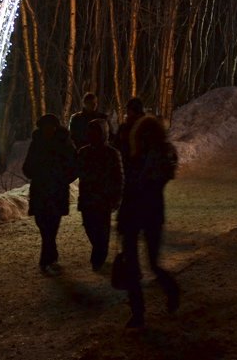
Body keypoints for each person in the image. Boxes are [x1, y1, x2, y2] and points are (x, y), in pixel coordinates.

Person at [118, 114, 180, 329]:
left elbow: (144, 184)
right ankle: (138, 312)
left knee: (149, 264)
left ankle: (169, 290)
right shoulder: (140, 157)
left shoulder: (158, 157)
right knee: (135, 266)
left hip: (146, 212)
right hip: (141, 214)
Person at [22, 113, 77, 275]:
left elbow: (74, 165)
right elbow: (27, 166)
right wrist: (35, 173)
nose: (48, 130)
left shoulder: (63, 142)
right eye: (45, 127)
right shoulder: (37, 143)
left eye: (50, 127)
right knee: (43, 224)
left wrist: (62, 178)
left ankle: (46, 258)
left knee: (51, 225)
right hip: (41, 190)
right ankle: (51, 255)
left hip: (56, 190)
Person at [76, 119, 123, 270]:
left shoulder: (111, 153)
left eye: (96, 131)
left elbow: (118, 177)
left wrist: (115, 198)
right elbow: (76, 171)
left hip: (104, 198)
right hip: (88, 198)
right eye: (91, 131)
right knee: (89, 226)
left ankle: (98, 257)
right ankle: (99, 251)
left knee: (102, 229)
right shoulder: (83, 152)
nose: (93, 135)